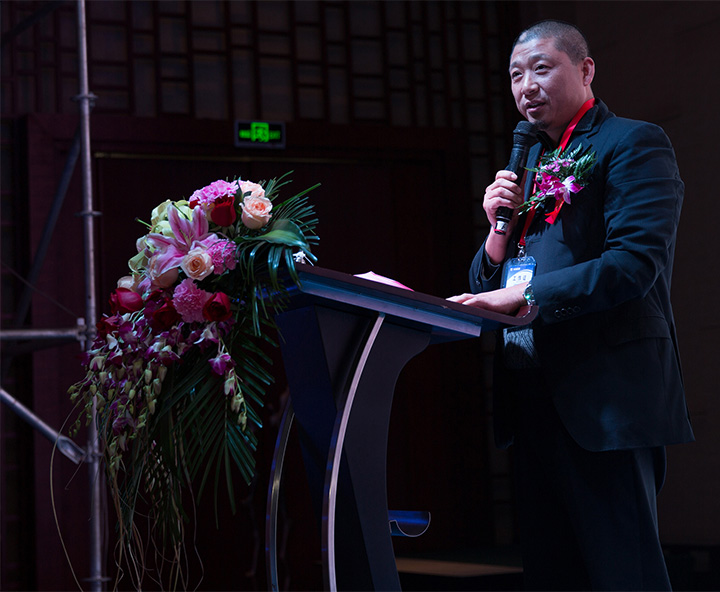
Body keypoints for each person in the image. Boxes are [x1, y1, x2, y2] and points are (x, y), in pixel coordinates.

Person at [448, 20, 694, 591]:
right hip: (532, 394)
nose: (526, 86)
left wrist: (524, 295)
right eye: (516, 75)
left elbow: (634, 264)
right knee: (553, 575)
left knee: (623, 574)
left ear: (586, 70)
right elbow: (489, 276)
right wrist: (496, 231)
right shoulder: (530, 162)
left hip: (604, 395)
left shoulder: (633, 142)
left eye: (541, 68)